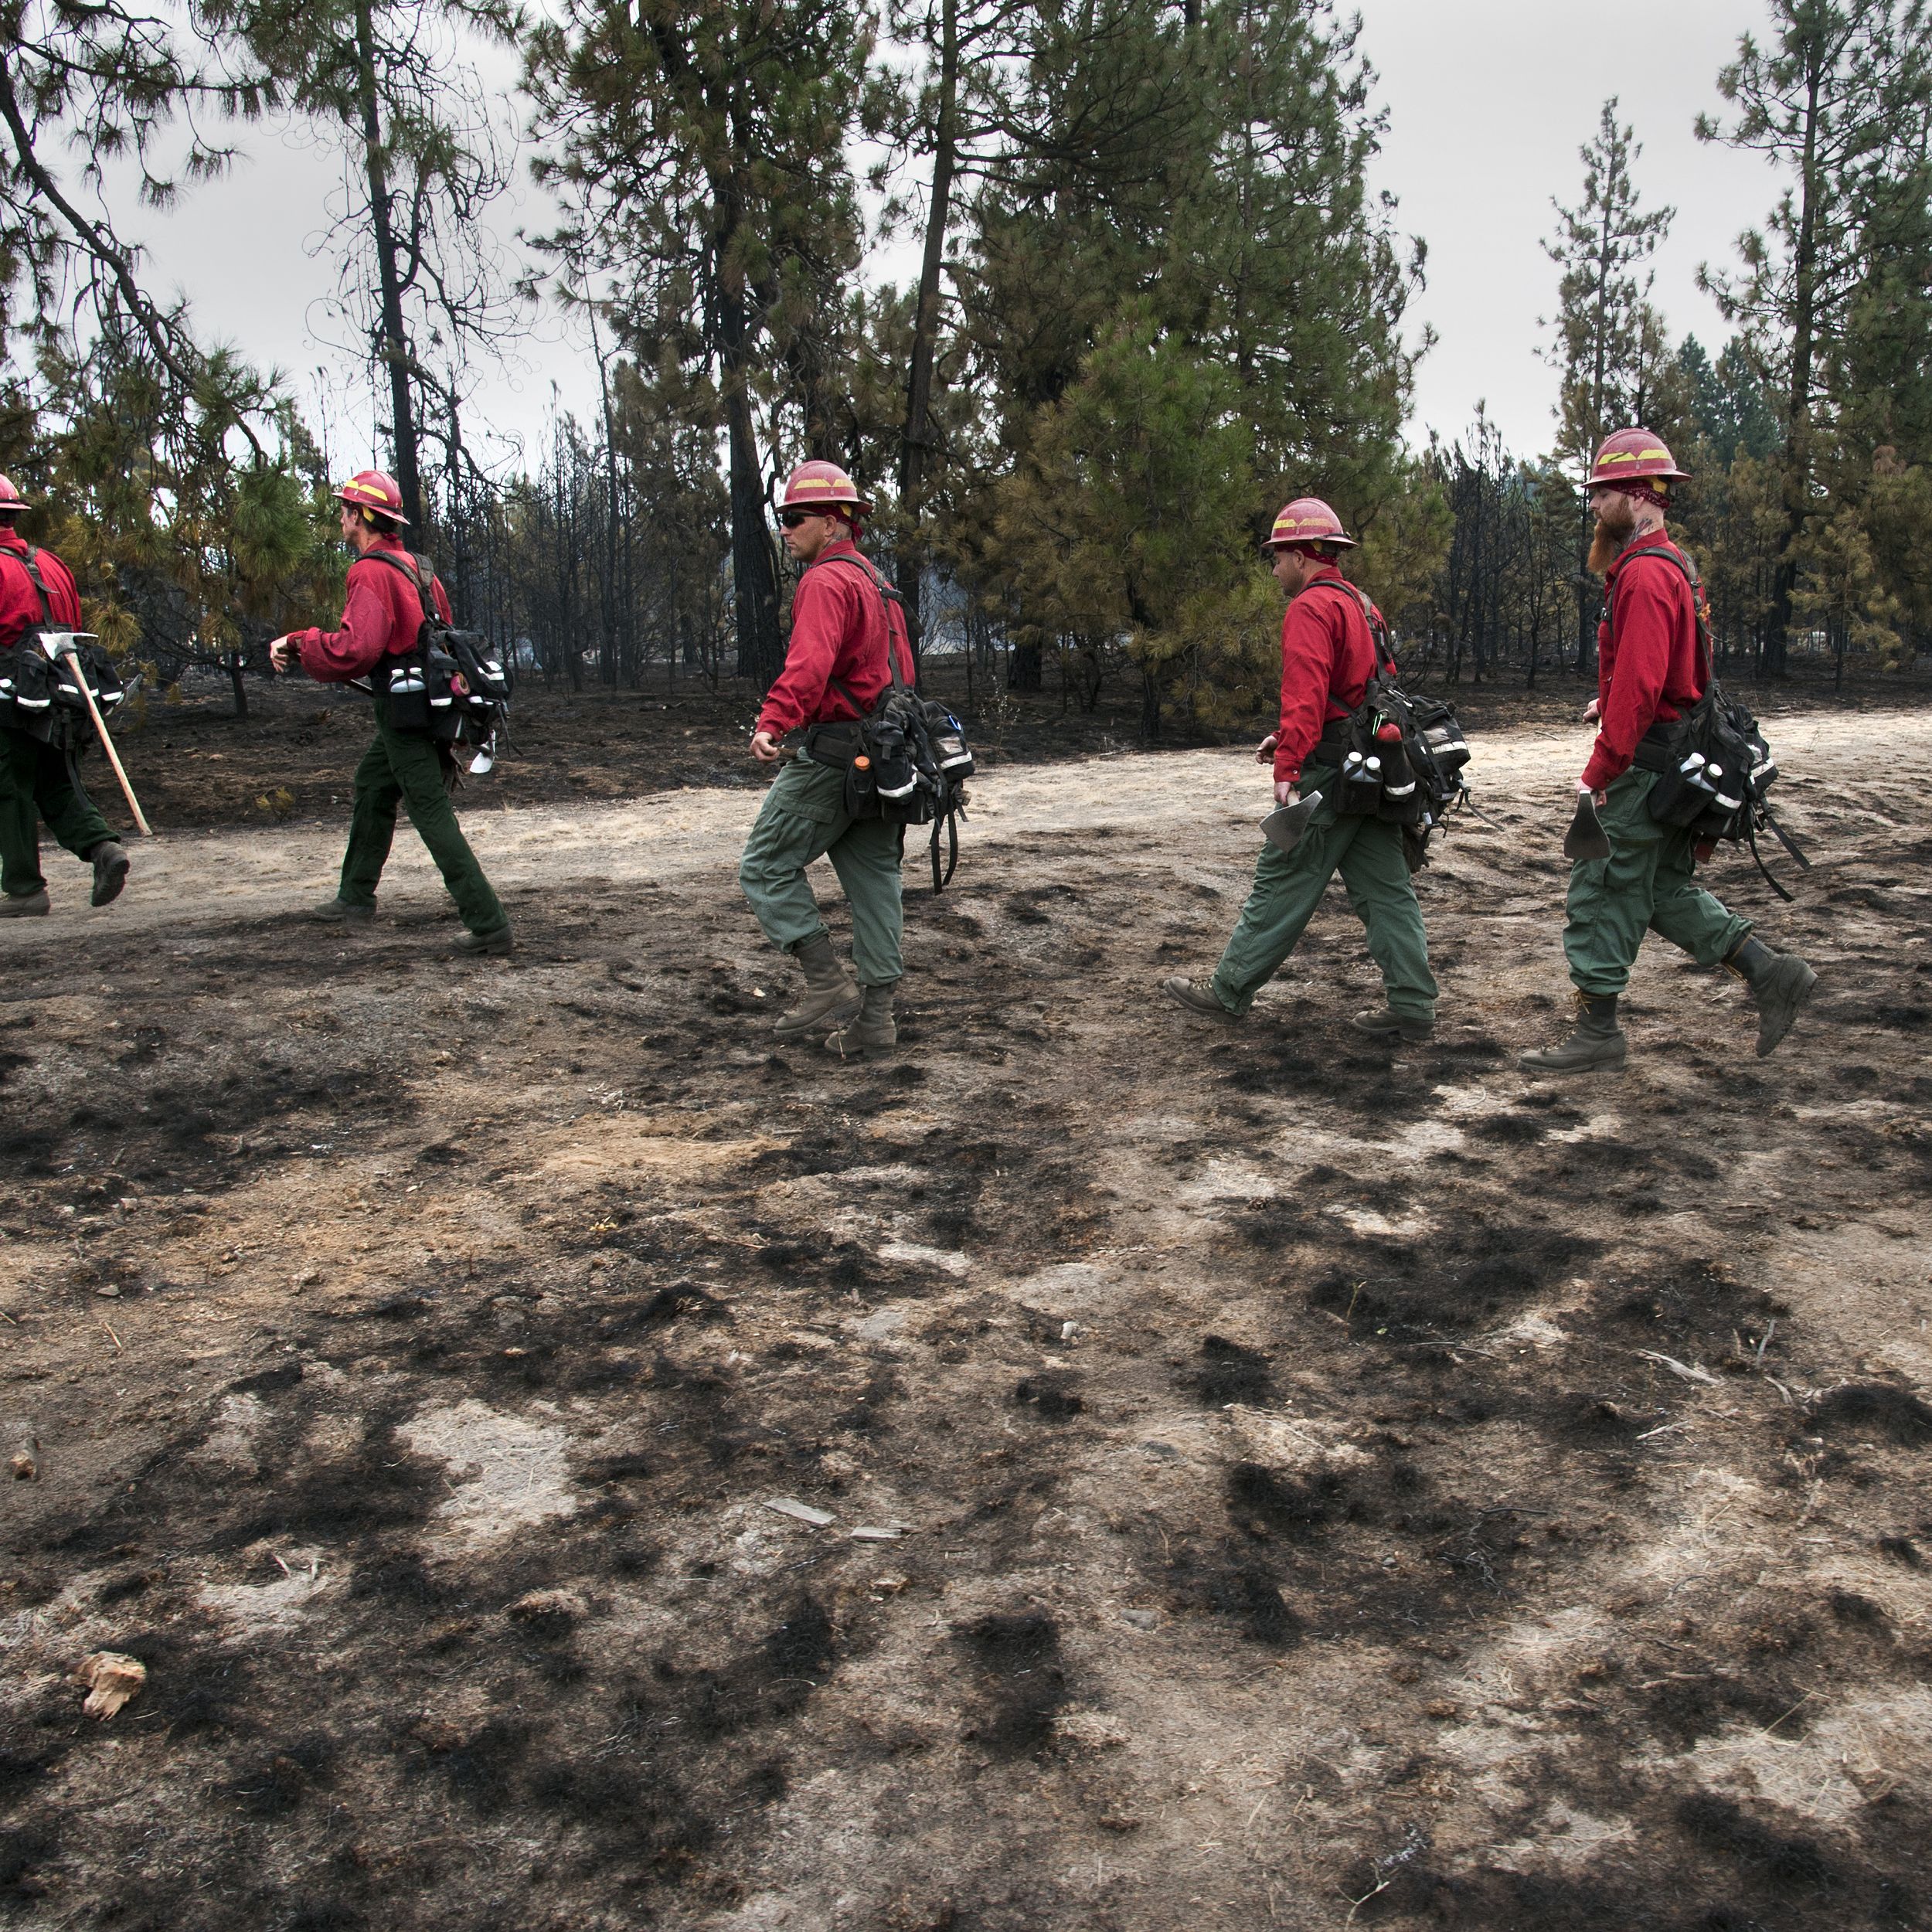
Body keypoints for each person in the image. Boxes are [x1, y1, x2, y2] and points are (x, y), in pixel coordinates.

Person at [1520, 427, 1815, 1073]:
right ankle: (1772, 974)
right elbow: (1667, 670)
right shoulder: (1671, 565)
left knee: (1600, 890)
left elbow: (1644, 681)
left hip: (1647, 767)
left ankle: (1598, 1033)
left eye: (1600, 494)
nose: (1593, 506)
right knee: (1657, 892)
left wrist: (1601, 768)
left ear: (1633, 494)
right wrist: (1617, 699)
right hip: (1670, 752)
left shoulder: (1648, 575)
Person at [1162, 496, 1437, 1039]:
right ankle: (1412, 1005)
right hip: (1372, 773)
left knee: (1281, 880)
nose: (1274, 568)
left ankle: (1229, 991)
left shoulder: (1311, 608)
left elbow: (1307, 692)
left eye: (1277, 556)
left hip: (1329, 778)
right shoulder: (1363, 605)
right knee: (1386, 891)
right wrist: (1289, 737)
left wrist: (1289, 765)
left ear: (1302, 555)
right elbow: (1369, 692)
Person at [268, 471, 512, 955]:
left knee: (430, 811)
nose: (341, 517)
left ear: (359, 517)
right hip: (425, 707)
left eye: (345, 510)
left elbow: (356, 649)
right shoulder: (420, 569)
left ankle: (488, 924)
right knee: (373, 783)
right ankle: (355, 896)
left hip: (404, 713)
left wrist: (299, 642)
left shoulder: (369, 572)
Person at [739, 460, 914, 1058]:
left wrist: (773, 723)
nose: (785, 529)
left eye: (795, 518)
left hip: (835, 754)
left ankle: (823, 978)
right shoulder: (876, 582)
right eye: (782, 518)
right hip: (885, 757)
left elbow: (808, 667)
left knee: (764, 864)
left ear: (836, 522)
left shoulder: (823, 581)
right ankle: (877, 1020)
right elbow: (903, 675)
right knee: (875, 883)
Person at [0, 474, 129, 916]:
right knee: (55, 782)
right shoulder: (51, 563)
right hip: (64, 693)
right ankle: (102, 849)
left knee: (9, 788)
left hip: (11, 701)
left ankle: (24, 889)